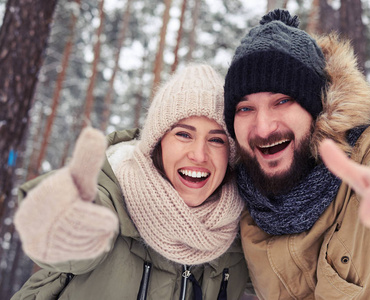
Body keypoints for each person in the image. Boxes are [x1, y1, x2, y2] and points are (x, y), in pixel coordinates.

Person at [223, 9, 370, 300]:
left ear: (316, 107)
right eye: (245, 108)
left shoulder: (365, 153)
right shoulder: (243, 201)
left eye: (282, 100)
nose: (263, 127)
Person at [12, 64, 249, 300]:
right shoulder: (112, 201)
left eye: (217, 140)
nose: (199, 154)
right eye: (183, 134)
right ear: (157, 142)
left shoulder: (244, 235)